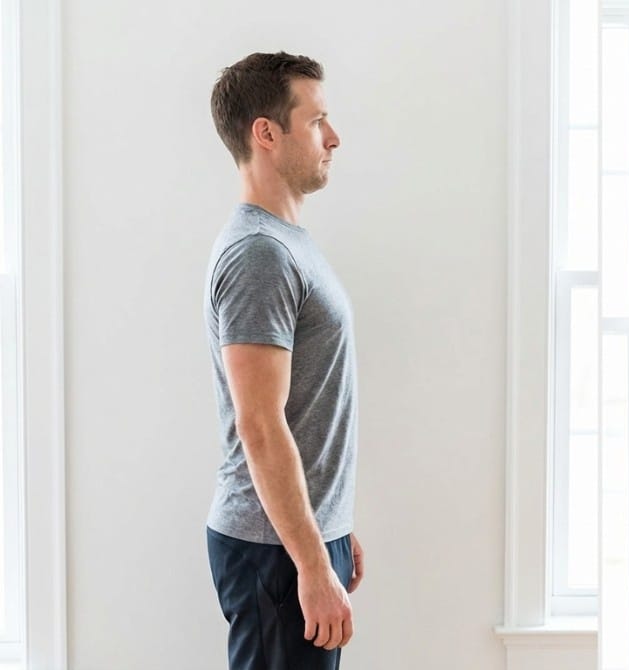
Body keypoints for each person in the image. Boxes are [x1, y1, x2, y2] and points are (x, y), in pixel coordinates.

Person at [204, 51, 365, 670]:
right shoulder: (259, 254)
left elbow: (305, 402)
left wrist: (330, 523)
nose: (334, 137)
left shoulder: (286, 243)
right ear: (266, 133)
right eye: (317, 121)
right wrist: (311, 561)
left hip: (295, 537)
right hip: (273, 549)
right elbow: (260, 424)